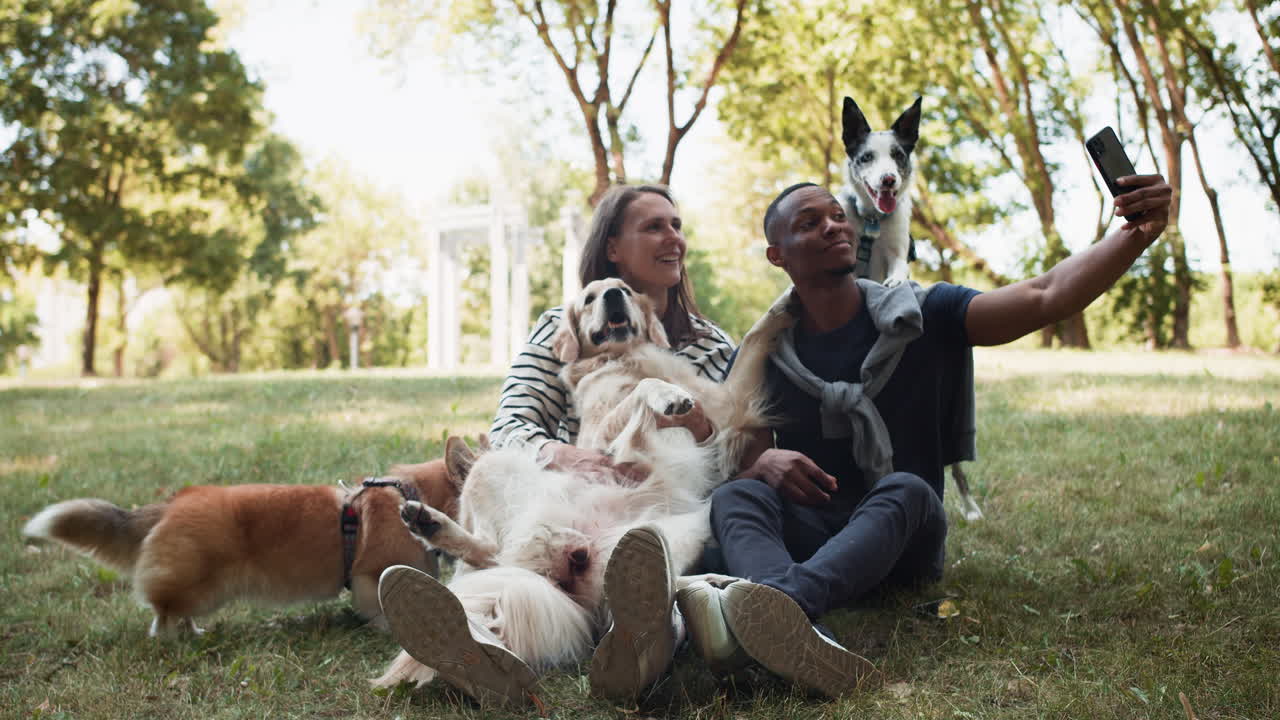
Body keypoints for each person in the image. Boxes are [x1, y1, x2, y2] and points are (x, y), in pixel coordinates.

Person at [596, 172, 1173, 700]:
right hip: (814, 535)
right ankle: (779, 627)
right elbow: (735, 463)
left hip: (903, 544)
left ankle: (778, 607)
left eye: (837, 216)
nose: (833, 226)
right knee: (737, 496)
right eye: (809, 222)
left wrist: (1135, 235)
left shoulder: (922, 312)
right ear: (779, 255)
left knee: (908, 489)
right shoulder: (767, 351)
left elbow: (1045, 295)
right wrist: (761, 467)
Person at [376, 184, 738, 706]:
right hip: (563, 497)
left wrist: (701, 427)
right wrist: (562, 454)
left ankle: (638, 639)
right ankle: (471, 632)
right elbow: (511, 422)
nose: (672, 238)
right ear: (613, 247)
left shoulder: (713, 347)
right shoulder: (559, 324)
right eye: (653, 227)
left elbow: (733, 449)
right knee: (493, 469)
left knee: (657, 548)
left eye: (676, 225)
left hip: (652, 507)